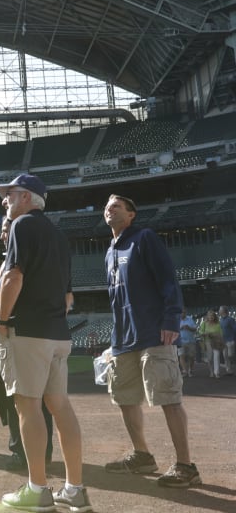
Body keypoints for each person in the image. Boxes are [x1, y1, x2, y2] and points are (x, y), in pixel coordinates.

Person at [0, 174, 90, 512]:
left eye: (9, 195)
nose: (5, 200)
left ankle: (37, 489)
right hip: (57, 332)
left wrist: (2, 321)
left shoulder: (22, 227)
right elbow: (68, 297)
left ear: (25, 198)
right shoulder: (59, 236)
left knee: (27, 405)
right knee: (60, 406)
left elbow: (13, 276)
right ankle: (75, 489)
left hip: (28, 331)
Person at [103, 193, 200, 488]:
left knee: (168, 397)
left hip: (152, 333)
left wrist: (171, 318)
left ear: (131, 214)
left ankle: (186, 466)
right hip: (123, 338)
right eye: (107, 206)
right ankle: (142, 456)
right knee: (125, 398)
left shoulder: (144, 238)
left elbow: (168, 279)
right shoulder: (109, 251)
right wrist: (113, 339)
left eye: (117, 206)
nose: (110, 209)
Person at [0, 216, 54, 471]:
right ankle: (43, 452)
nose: (4, 235)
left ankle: (21, 452)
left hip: (16, 332)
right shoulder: (42, 258)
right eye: (2, 230)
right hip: (42, 332)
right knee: (41, 399)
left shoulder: (11, 263)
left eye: (8, 230)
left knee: (18, 398)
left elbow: (1, 298)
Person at [197, 310, 223, 379]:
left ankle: (216, 373)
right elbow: (200, 332)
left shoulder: (217, 324)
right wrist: (204, 333)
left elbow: (221, 334)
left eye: (212, 316)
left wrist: (215, 335)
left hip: (216, 342)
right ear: (207, 317)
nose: (211, 317)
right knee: (210, 358)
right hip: (208, 342)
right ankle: (211, 371)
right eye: (210, 316)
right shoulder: (204, 323)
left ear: (214, 317)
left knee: (216, 357)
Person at [178, 310, 199, 377]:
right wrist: (180, 328)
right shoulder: (176, 320)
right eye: (181, 312)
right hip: (180, 341)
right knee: (182, 355)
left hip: (191, 341)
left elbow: (195, 329)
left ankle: (190, 370)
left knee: (191, 356)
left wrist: (189, 328)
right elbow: (173, 330)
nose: (182, 314)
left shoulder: (190, 319)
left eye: (183, 312)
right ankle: (184, 371)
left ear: (186, 313)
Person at [220, 306, 235, 376]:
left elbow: (235, 329)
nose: (219, 311)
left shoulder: (230, 319)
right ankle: (229, 370)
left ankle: (231, 366)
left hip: (230, 340)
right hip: (223, 341)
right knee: (225, 356)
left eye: (220, 310)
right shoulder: (220, 320)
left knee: (230, 355)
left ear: (223, 311)